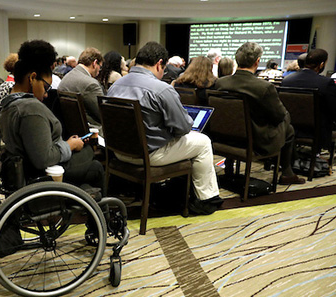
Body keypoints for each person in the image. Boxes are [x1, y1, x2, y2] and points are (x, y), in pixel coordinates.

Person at [108, 42, 222, 215]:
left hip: (120, 152)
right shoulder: (161, 89)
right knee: (203, 141)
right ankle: (206, 199)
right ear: (159, 63)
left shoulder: (116, 85)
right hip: (148, 156)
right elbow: (183, 127)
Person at [0, 40, 104, 193]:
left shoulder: (10, 103)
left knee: (90, 163)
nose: (47, 93)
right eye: (46, 87)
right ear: (32, 78)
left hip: (26, 169)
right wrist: (70, 145)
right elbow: (44, 158)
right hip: (41, 175)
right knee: (90, 154)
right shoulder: (30, 109)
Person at [215, 42, 305, 185]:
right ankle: (287, 172)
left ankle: (230, 166)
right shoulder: (264, 87)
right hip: (256, 141)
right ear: (257, 61)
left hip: (226, 138)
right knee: (289, 128)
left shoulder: (221, 83)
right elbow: (279, 116)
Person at [281, 48, 336, 149]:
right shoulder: (326, 83)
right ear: (321, 65)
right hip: (317, 132)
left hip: (289, 128)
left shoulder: (287, 80)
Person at [58, 47, 104, 129]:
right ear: (95, 63)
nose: (99, 71)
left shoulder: (67, 76)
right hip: (91, 131)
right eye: (100, 66)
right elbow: (103, 114)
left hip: (69, 129)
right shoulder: (90, 84)